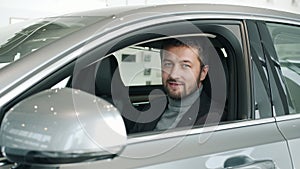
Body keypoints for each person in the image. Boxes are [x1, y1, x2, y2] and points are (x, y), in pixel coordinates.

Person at [128, 37, 216, 133]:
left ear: (203, 73)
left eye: (185, 66)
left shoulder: (212, 118)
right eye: (168, 64)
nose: (174, 75)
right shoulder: (155, 105)